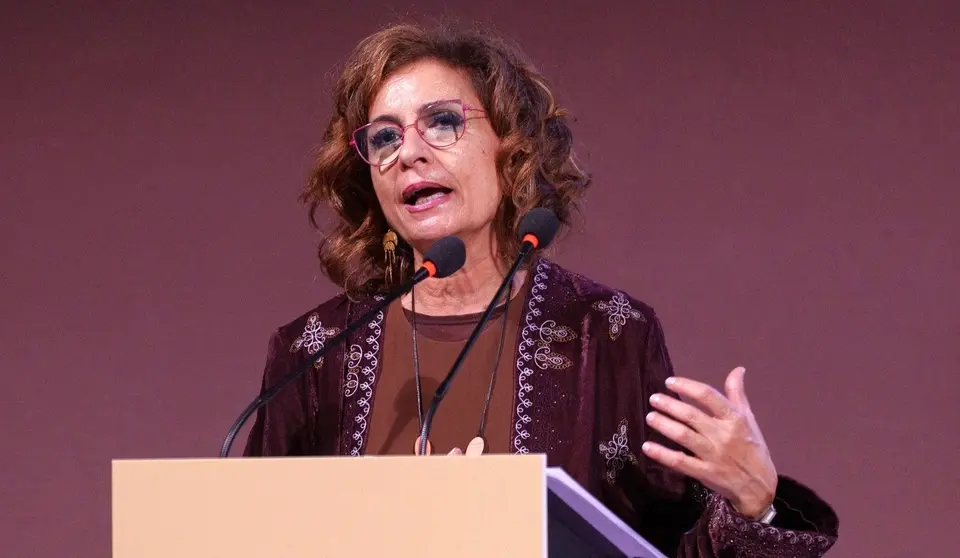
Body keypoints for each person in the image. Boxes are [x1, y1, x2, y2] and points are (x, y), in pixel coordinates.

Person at [243, 21, 839, 556]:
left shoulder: (605, 334)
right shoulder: (315, 354)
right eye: (384, 138)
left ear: (510, 144)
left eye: (443, 122)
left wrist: (752, 505)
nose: (409, 155)